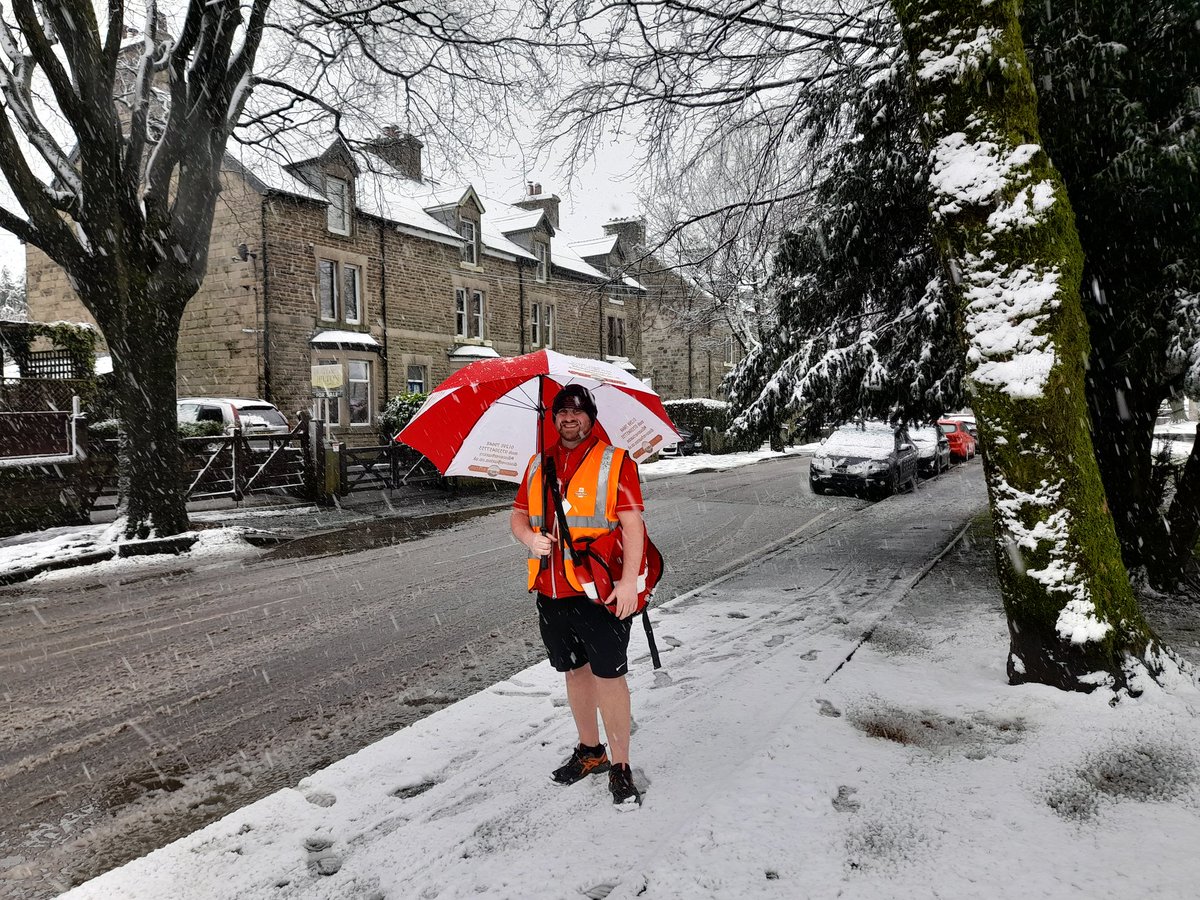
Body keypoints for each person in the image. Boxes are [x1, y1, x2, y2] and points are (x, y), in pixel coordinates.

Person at [510, 383, 646, 806]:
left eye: (578, 411)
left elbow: (633, 528)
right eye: (562, 412)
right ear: (552, 419)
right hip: (551, 593)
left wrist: (627, 583)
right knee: (574, 672)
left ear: (590, 415)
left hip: (597, 592)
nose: (569, 418)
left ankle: (620, 766)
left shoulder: (615, 462)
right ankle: (591, 751)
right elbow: (517, 516)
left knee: (610, 677)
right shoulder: (537, 464)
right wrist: (530, 540)